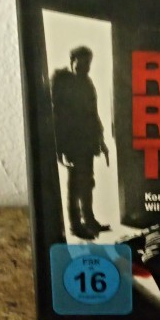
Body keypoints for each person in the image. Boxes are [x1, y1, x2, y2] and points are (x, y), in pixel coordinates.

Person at [51, 45, 110, 239]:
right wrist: (60, 148)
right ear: (72, 61)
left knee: (87, 183)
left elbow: (93, 114)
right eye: (82, 63)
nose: (86, 67)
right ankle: (75, 226)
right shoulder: (62, 83)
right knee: (74, 185)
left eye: (88, 63)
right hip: (71, 143)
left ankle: (89, 220)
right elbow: (57, 117)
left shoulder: (87, 83)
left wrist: (101, 141)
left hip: (87, 143)